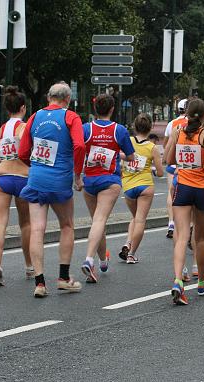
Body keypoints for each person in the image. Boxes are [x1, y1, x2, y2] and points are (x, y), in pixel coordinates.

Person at [18, 82, 85, 297]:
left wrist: (35, 166)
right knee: (66, 225)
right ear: (67, 99)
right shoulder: (70, 117)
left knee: (37, 229)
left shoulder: (34, 117)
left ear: (49, 97)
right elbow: (80, 146)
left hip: (36, 179)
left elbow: (22, 151)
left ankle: (39, 283)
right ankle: (64, 278)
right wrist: (77, 174)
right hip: (60, 180)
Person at [165, 98, 204, 305]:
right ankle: (202, 281)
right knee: (199, 238)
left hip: (183, 186)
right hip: (202, 188)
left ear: (186, 114)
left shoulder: (178, 131)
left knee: (181, 237)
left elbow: (169, 160)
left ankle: (178, 280)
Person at [81, 94, 135, 283]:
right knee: (100, 220)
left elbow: (78, 150)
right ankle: (89, 259)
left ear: (95, 109)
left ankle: (102, 261)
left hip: (89, 180)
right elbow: (131, 157)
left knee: (97, 222)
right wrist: (115, 153)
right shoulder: (119, 130)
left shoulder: (85, 128)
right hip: (109, 180)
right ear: (112, 109)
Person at [0, 86, 33, 286]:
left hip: (2, 178)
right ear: (23, 108)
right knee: (26, 224)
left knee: (0, 222)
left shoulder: (2, 128)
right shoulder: (24, 127)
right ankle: (29, 266)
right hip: (23, 177)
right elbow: (29, 152)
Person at [119, 114, 163, 263]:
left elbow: (120, 157)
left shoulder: (128, 141)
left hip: (128, 186)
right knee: (140, 220)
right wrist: (150, 169)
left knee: (135, 218)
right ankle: (131, 254)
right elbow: (160, 172)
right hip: (145, 186)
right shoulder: (152, 147)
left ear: (134, 127)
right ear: (150, 128)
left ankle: (127, 243)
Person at [163, 99, 188, 239]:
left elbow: (167, 144)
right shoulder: (195, 124)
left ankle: (171, 222)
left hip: (173, 163)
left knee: (170, 192)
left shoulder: (172, 124)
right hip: (187, 165)